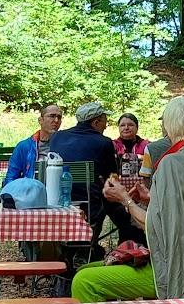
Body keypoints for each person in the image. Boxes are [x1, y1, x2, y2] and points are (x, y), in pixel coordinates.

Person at [72, 95, 184, 302]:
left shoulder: (174, 163)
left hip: (178, 269)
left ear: (169, 125)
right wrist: (151, 197)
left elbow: (158, 227)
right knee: (88, 268)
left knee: (84, 281)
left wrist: (124, 199)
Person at [47, 101, 143, 245]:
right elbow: (112, 177)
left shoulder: (56, 137)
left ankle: (88, 248)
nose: (106, 125)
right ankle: (128, 243)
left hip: (56, 201)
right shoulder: (103, 142)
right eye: (105, 121)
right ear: (96, 122)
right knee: (118, 207)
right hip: (90, 205)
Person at [6, 103, 63, 183]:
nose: (56, 120)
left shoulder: (65, 145)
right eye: (52, 116)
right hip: (31, 188)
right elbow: (11, 178)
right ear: (40, 120)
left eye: (59, 117)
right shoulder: (24, 146)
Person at [113, 113, 149, 180]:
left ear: (137, 128)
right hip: (117, 184)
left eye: (130, 125)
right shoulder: (112, 145)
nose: (126, 128)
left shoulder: (147, 146)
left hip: (142, 183)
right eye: (122, 125)